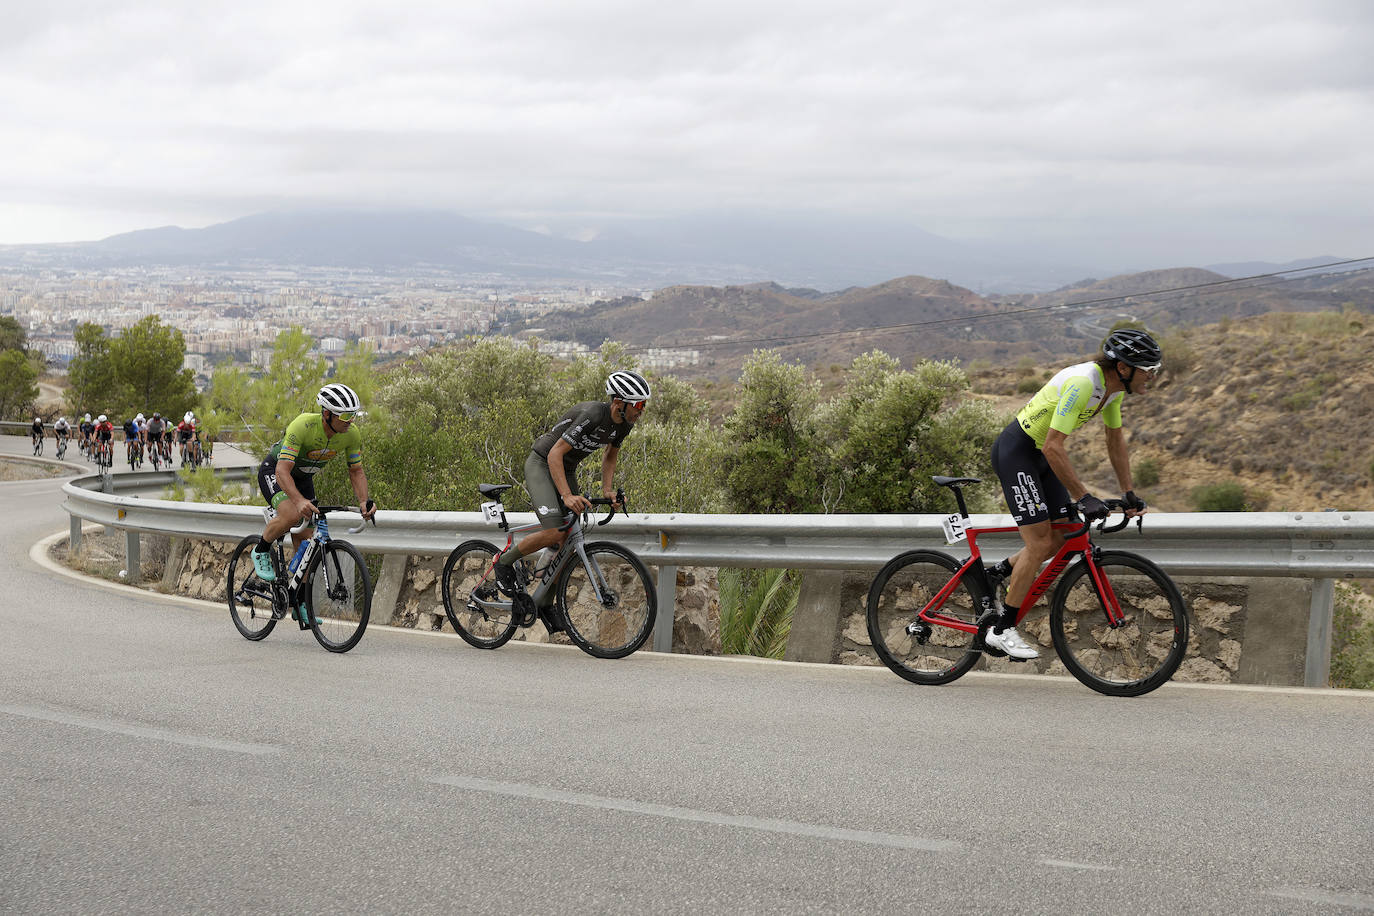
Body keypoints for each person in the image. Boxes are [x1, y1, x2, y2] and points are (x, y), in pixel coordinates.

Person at [985, 328, 1162, 660]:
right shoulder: (1084, 383)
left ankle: (997, 572)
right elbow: (1054, 446)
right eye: (1148, 370)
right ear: (1123, 368)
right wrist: (1083, 495)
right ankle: (1001, 630)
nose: (1151, 377)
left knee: (1060, 538)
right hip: (1018, 452)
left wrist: (1128, 492)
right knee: (1038, 543)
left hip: (1040, 456)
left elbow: (1115, 441)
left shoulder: (1113, 393)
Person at [490, 370, 651, 620]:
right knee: (556, 530)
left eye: (644, 405)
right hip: (542, 463)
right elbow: (555, 454)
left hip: (565, 469)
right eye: (638, 405)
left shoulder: (624, 425)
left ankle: (543, 603)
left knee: (569, 541)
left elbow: (610, 455)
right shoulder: (593, 416)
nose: (641, 411)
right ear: (618, 403)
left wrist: (607, 491)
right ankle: (503, 561)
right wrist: (566, 496)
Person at [251, 383, 376, 586]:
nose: (350, 421)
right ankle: (261, 549)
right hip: (276, 470)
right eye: (345, 416)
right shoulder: (303, 426)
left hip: (304, 478)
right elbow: (282, 471)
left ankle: (300, 600)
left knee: (307, 541)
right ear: (327, 414)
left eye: (353, 414)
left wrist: (363, 501)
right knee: (292, 514)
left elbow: (356, 471)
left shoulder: (351, 434)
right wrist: (298, 501)